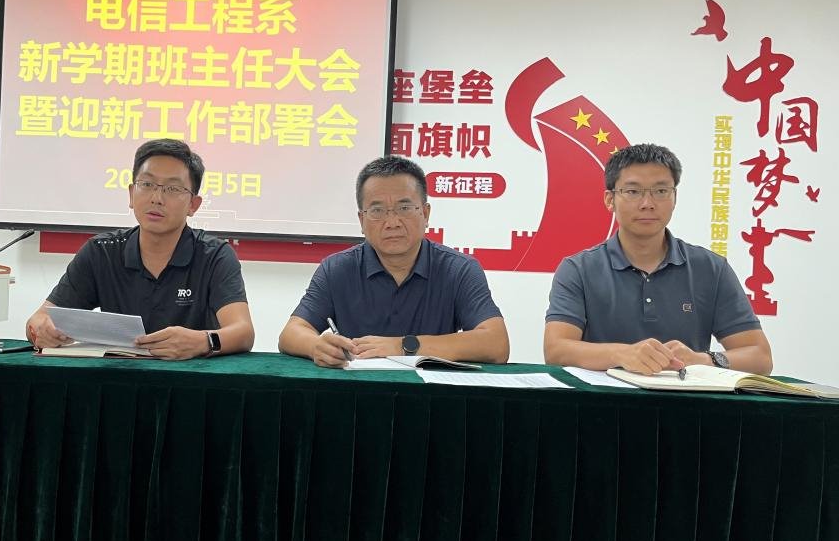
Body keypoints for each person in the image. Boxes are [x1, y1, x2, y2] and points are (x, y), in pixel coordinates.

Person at [544, 143, 772, 375]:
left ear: (674, 197)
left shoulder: (711, 268)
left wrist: (702, 360)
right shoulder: (578, 269)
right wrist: (622, 354)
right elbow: (556, 350)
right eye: (633, 192)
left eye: (661, 191)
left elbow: (760, 357)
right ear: (610, 200)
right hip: (603, 396)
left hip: (685, 396)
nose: (648, 204)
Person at [26, 139, 254, 359]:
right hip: (118, 376)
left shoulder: (214, 255)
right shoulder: (101, 252)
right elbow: (38, 320)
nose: (157, 198)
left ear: (193, 205)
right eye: (147, 184)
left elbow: (243, 332)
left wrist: (202, 341)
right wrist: (42, 331)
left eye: (173, 189)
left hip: (191, 377)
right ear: (131, 194)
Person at [279, 156, 510, 368]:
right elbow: (291, 333)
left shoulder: (458, 270)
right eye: (378, 210)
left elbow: (496, 344)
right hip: (357, 393)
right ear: (361, 220)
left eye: (404, 208)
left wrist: (403, 346)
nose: (392, 222)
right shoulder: (336, 269)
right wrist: (316, 347)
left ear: (425, 214)